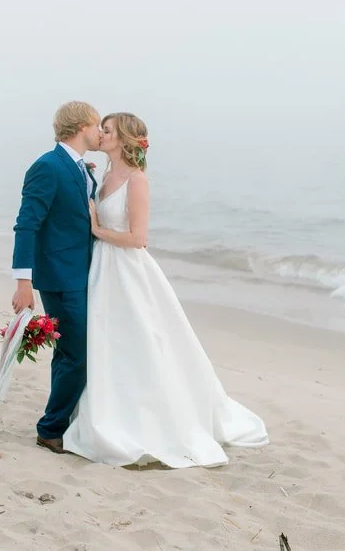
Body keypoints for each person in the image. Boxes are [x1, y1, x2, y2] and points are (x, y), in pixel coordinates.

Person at [62, 113, 269, 468]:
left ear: (124, 138)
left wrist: (97, 230)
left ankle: (151, 417)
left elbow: (138, 239)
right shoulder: (104, 174)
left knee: (139, 340)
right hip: (102, 269)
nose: (101, 134)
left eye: (107, 130)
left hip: (127, 270)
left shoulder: (136, 180)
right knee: (106, 342)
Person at [11, 101, 101, 454]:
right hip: (60, 276)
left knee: (75, 352)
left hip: (82, 272)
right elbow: (26, 224)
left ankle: (64, 423)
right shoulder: (47, 167)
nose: (100, 133)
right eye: (97, 126)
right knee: (74, 355)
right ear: (82, 126)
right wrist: (23, 282)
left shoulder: (80, 167)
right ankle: (50, 429)